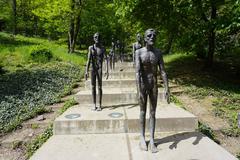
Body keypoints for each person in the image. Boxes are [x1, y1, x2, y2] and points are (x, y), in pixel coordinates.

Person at [135, 29, 170, 153]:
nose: (152, 38)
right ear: (145, 38)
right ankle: (142, 137)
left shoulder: (158, 53)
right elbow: (137, 72)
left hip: (154, 85)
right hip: (143, 84)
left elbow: (163, 71)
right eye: (149, 36)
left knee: (153, 113)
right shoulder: (138, 52)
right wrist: (138, 90)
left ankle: (152, 140)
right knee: (143, 111)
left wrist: (167, 88)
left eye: (154, 36)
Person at [85, 32, 109, 111]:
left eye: (98, 37)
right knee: (93, 86)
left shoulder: (102, 48)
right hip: (93, 68)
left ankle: (99, 104)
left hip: (99, 68)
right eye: (95, 37)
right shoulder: (91, 48)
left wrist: (107, 70)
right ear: (93, 38)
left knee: (99, 87)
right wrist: (86, 71)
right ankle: (94, 104)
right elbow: (88, 60)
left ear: (100, 38)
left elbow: (106, 59)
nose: (97, 38)